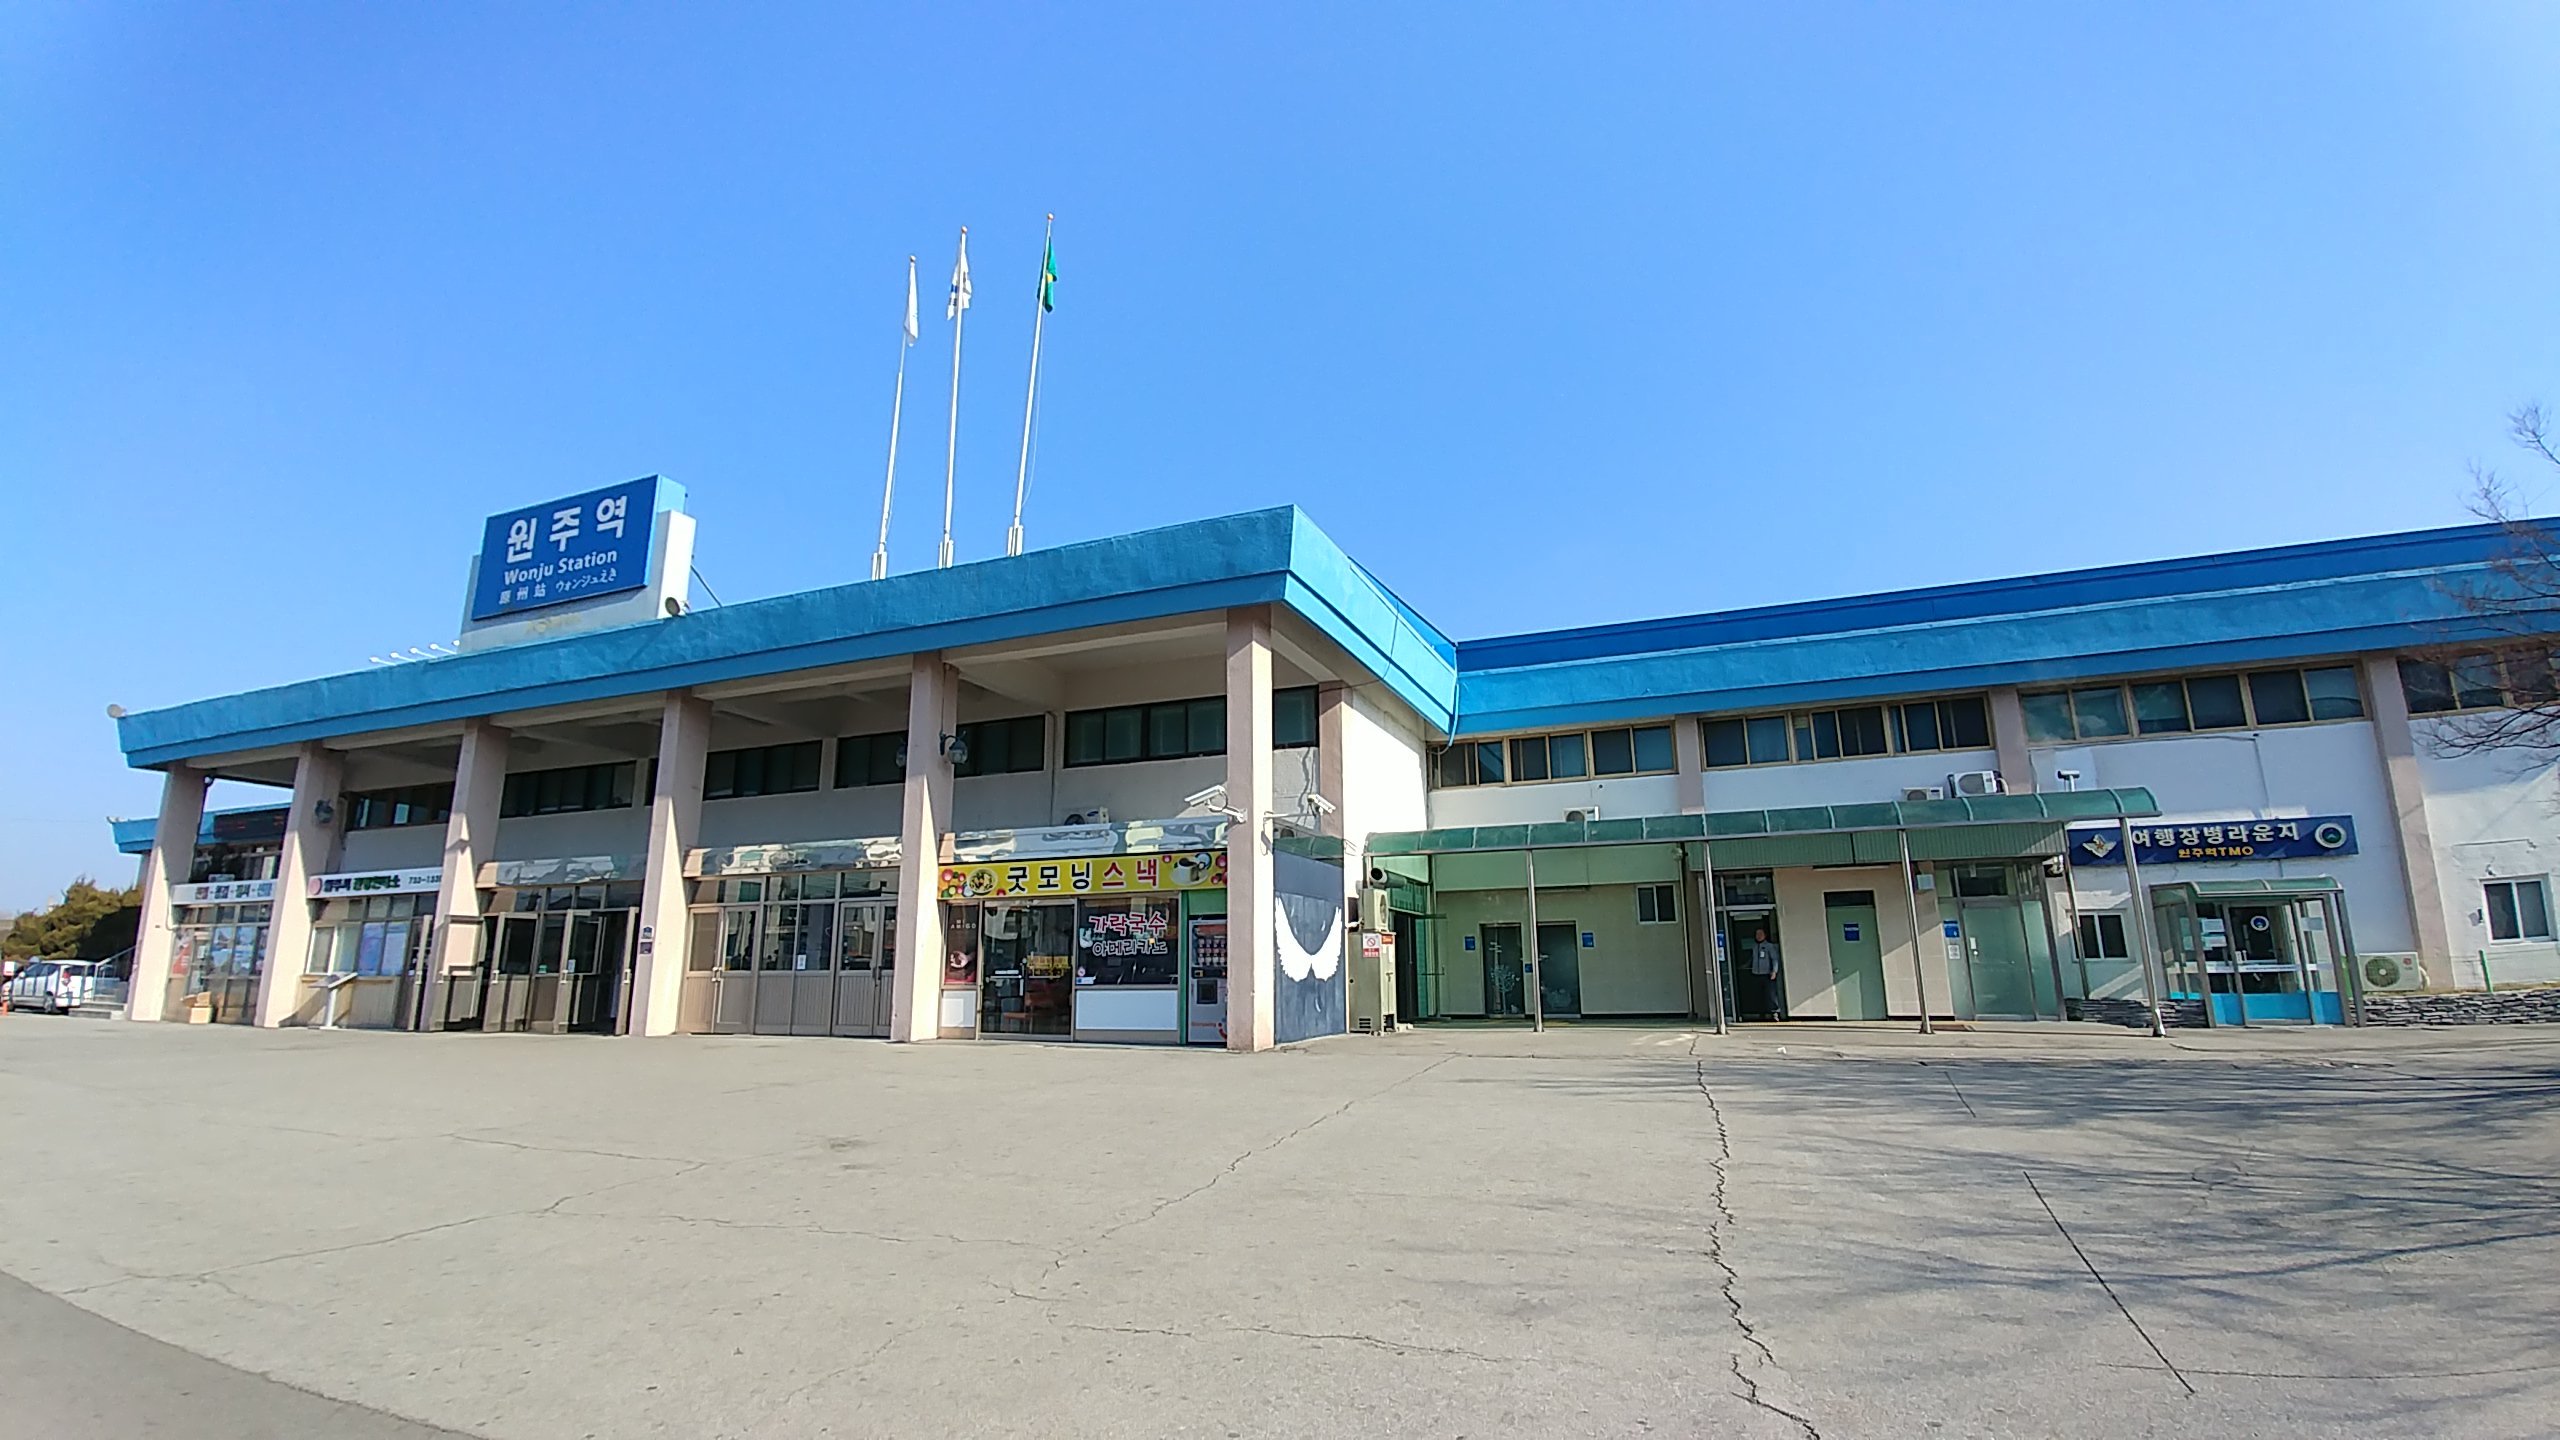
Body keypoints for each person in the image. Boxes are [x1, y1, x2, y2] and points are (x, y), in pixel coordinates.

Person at [1749, 928, 1783, 1018]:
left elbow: (1774, 959)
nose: (1758, 936)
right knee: (1759, 995)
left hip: (1767, 974)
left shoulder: (1769, 946)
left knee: (1770, 995)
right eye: (1757, 934)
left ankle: (1774, 1013)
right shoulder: (1754, 947)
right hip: (1756, 974)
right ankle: (1761, 1013)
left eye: (1760, 934)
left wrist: (1774, 971)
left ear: (1765, 935)